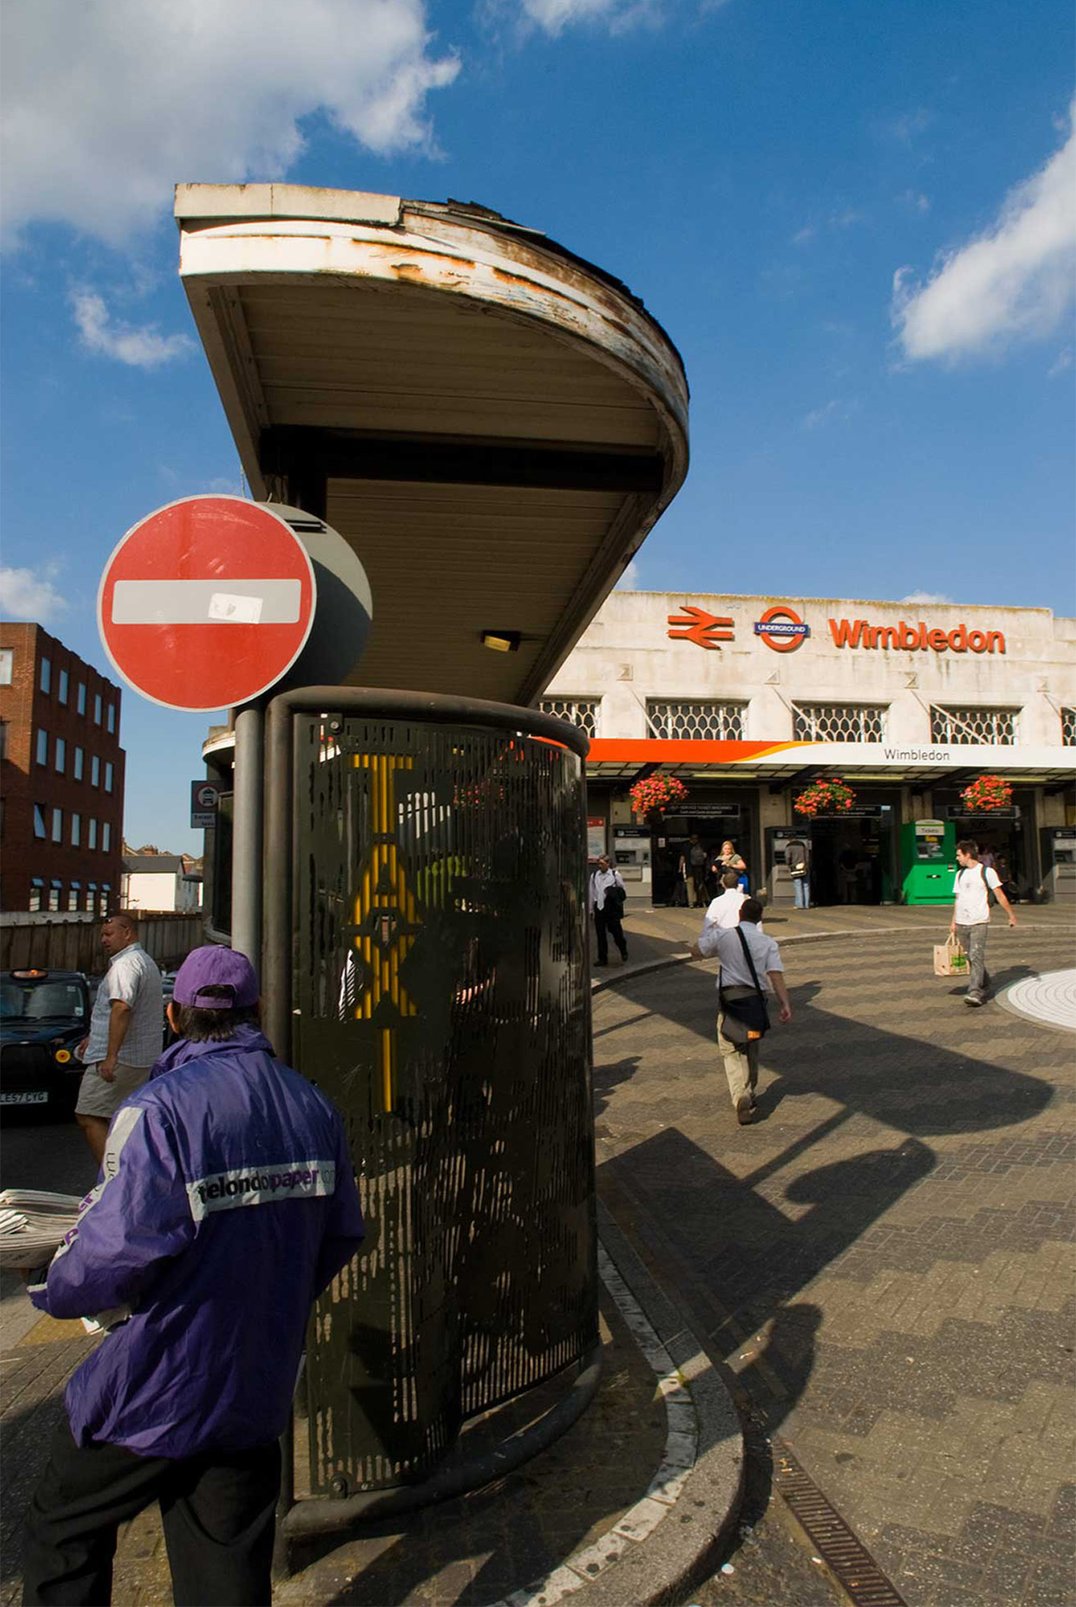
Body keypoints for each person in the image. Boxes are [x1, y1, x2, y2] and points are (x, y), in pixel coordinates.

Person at [21, 945, 365, 1606]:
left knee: (60, 1529)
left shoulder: (158, 1112)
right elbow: (341, 1232)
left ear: (175, 1018)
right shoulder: (313, 1107)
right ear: (256, 1010)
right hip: (253, 1382)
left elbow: (112, 1255)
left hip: (156, 1382)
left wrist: (51, 1278)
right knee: (225, 1561)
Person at [74, 912, 164, 1166]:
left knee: (88, 1114)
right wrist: (94, 1037)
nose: (104, 940)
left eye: (109, 934)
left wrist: (110, 1056)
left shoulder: (125, 966)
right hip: (138, 1057)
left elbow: (122, 1008)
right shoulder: (142, 961)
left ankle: (114, 1180)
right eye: (102, 934)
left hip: (121, 1058)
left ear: (127, 932)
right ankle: (130, 1174)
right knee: (123, 1120)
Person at [692, 897, 792, 1125]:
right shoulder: (768, 942)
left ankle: (740, 1095)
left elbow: (699, 950)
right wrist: (785, 1003)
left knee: (729, 1047)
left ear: (740, 914)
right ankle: (750, 1090)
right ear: (760, 918)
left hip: (731, 1001)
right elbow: (775, 974)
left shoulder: (725, 935)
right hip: (755, 1003)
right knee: (751, 1045)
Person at [951, 839, 1017, 1006]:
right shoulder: (959, 874)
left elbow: (1000, 894)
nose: (957, 858)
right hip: (961, 922)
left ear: (967, 855)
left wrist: (1011, 915)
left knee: (976, 955)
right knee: (970, 957)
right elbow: (958, 899)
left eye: (959, 855)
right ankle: (985, 982)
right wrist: (953, 922)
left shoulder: (986, 872)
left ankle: (975, 992)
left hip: (979, 921)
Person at [589, 854, 628, 965]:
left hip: (611, 908)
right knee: (600, 934)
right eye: (598, 863)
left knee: (616, 932)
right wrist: (591, 910)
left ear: (608, 864)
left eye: (601, 863)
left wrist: (614, 895)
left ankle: (623, 948)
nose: (599, 866)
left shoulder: (615, 875)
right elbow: (591, 893)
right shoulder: (594, 876)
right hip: (599, 907)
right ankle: (602, 958)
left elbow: (622, 891)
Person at [786, 837, 811, 909]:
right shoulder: (802, 845)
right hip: (804, 867)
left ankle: (800, 905)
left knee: (798, 885)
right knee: (806, 885)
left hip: (795, 867)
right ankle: (806, 904)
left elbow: (787, 857)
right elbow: (807, 856)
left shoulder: (789, 846)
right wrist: (806, 864)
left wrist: (789, 864)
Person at [687, 835, 710, 907]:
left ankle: (691, 902)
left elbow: (682, 858)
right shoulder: (701, 847)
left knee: (690, 885)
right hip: (699, 868)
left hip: (689, 869)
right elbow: (705, 856)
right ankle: (702, 901)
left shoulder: (686, 847)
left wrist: (680, 868)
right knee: (700, 884)